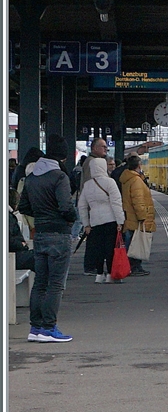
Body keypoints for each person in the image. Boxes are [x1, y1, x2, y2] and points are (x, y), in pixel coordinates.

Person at [16, 136, 77, 342]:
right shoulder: (59, 177)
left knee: (40, 283)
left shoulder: (32, 177)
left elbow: (23, 206)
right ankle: (49, 328)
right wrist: (72, 218)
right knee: (55, 284)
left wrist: (41, 215)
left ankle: (35, 328)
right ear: (63, 157)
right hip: (59, 235)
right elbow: (66, 207)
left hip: (40, 234)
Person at [78, 151, 124, 283]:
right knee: (110, 248)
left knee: (98, 248)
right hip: (110, 220)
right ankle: (109, 274)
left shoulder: (87, 185)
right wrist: (120, 221)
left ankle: (99, 274)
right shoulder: (110, 182)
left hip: (95, 221)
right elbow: (116, 203)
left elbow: (82, 206)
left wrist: (86, 224)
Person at [117, 155, 154, 276]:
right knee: (136, 243)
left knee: (131, 242)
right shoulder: (136, 180)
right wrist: (142, 216)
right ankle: (134, 267)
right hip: (136, 218)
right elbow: (137, 200)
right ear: (138, 165)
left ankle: (131, 266)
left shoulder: (127, 178)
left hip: (129, 216)